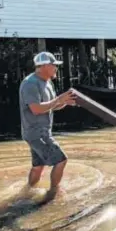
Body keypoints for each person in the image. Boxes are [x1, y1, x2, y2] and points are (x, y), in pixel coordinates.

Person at [19, 51, 76, 200]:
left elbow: (51, 106)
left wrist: (63, 102)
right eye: (54, 66)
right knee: (61, 160)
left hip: (41, 132)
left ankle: (26, 192)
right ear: (43, 66)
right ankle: (53, 193)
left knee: (38, 167)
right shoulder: (30, 84)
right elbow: (36, 109)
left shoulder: (47, 82)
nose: (56, 68)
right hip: (36, 133)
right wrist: (58, 99)